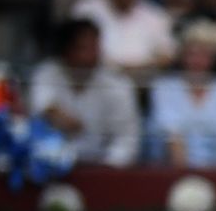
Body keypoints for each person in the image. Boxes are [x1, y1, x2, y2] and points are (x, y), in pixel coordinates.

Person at [30, 18, 140, 166]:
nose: (90, 56)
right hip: (51, 167)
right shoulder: (46, 73)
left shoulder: (117, 85)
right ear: (65, 50)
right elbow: (41, 106)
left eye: (94, 48)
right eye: (82, 48)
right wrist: (57, 115)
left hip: (102, 169)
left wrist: (106, 170)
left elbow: (126, 140)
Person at [149, 36, 216, 165]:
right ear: (182, 57)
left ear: (213, 59)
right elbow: (170, 132)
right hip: (170, 169)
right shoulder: (164, 87)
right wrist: (184, 175)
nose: (197, 61)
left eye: (204, 55)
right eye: (192, 55)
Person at [69, 0, 174, 72]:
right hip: (97, 78)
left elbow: (167, 56)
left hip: (144, 81)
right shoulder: (86, 9)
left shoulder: (156, 15)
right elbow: (76, 51)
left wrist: (139, 69)